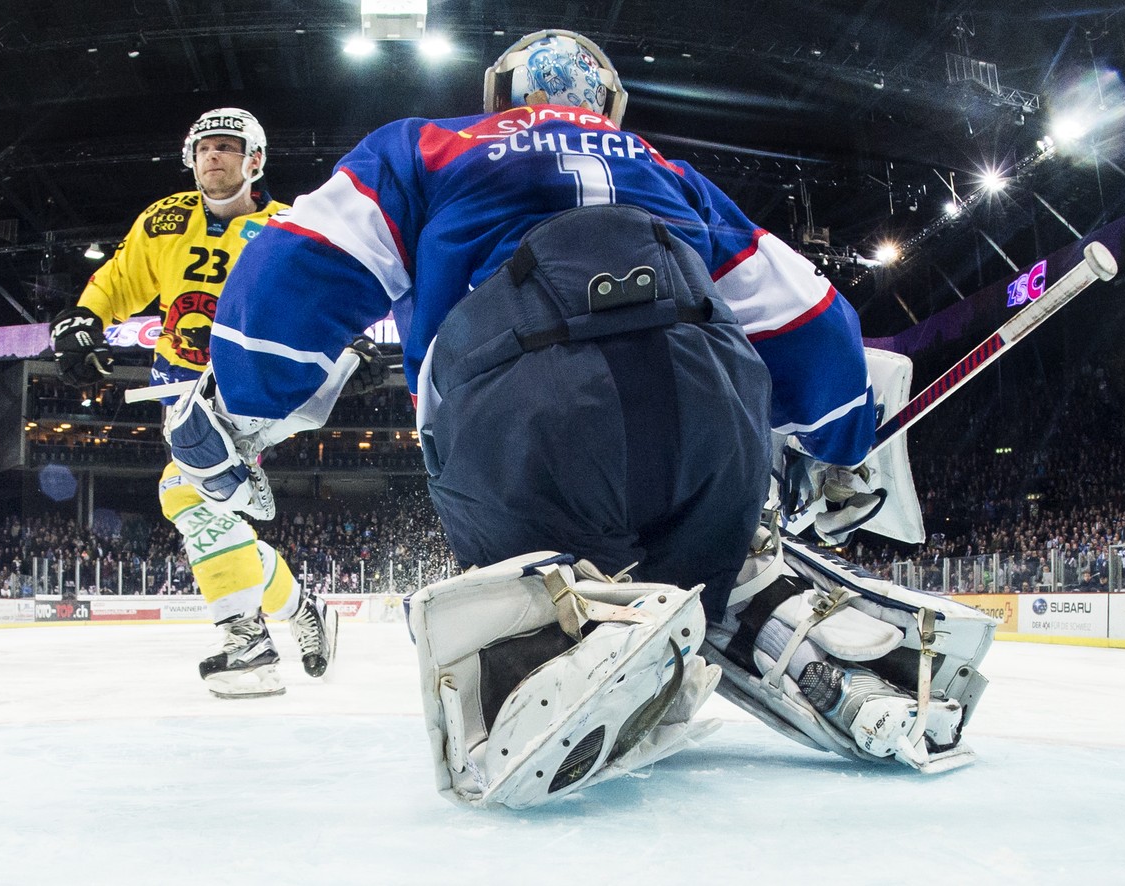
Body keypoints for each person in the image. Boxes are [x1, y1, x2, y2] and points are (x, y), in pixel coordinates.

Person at [167, 31, 994, 805]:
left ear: (500, 93)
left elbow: (297, 265)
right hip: (713, 423)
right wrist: (838, 445)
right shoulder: (667, 172)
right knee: (717, 555)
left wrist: (243, 408)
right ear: (609, 103)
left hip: (517, 421)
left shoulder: (426, 145)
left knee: (548, 558)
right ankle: (793, 627)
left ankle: (557, 636)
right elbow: (813, 314)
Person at [48, 107, 337, 699]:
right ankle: (299, 608)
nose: (214, 156)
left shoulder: (287, 226)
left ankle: (248, 645)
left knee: (186, 489)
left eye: (229, 147)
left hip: (251, 389)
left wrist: (344, 337)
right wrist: (85, 317)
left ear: (254, 160)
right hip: (180, 389)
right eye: (205, 147)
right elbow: (122, 277)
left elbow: (320, 296)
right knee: (212, 510)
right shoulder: (166, 219)